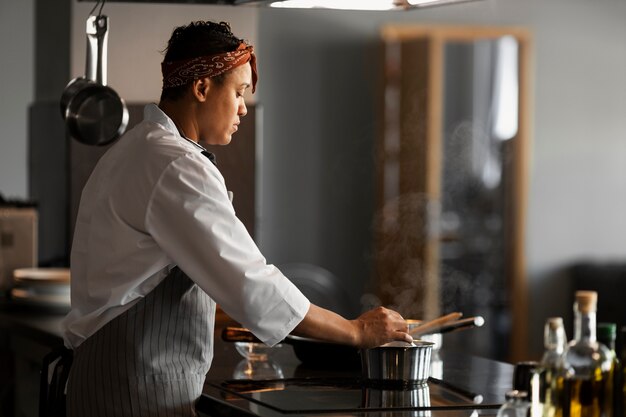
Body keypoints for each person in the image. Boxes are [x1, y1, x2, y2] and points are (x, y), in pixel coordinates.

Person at [61, 20, 412, 417]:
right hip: (135, 387)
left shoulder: (137, 149)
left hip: (108, 377)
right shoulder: (174, 165)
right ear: (202, 88)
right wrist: (356, 331)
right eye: (239, 92)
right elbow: (251, 285)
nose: (244, 107)